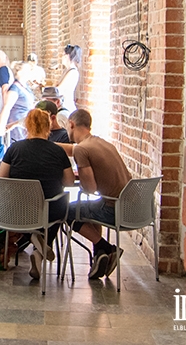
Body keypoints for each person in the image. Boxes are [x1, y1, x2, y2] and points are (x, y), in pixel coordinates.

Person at [0, 109, 74, 280]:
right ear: (48, 127)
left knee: (30, 213)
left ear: (27, 126)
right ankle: (39, 248)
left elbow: (1, 178)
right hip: (49, 211)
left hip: (18, 210)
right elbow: (69, 182)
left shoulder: (14, 148)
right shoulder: (57, 151)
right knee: (61, 206)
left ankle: (33, 238)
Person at [65, 109, 131, 280]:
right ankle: (100, 253)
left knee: (67, 211)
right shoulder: (102, 143)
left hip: (112, 210)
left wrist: (78, 175)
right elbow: (75, 150)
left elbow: (90, 189)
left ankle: (106, 247)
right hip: (131, 208)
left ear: (71, 124)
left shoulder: (82, 150)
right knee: (89, 208)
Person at [0, 62, 36, 146]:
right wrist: (1, 127)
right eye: (28, 70)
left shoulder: (25, 86)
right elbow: (6, 107)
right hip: (16, 125)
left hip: (25, 124)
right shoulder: (15, 88)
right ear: (20, 72)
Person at [58, 45, 82, 113]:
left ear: (67, 56)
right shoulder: (67, 71)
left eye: (63, 55)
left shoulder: (72, 72)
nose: (62, 57)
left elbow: (60, 90)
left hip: (66, 105)